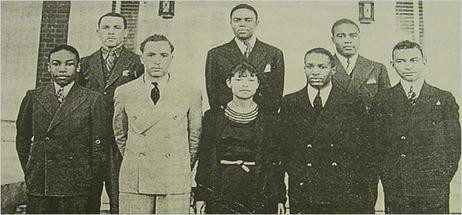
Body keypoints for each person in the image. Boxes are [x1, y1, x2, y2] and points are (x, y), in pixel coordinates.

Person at [113, 34, 202, 214]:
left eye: (163, 55)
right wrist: (135, 157)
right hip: (135, 175)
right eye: (151, 55)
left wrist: (181, 163)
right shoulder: (125, 92)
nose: (157, 61)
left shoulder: (189, 92)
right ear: (142, 58)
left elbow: (195, 136)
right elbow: (120, 133)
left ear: (171, 58)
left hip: (174, 175)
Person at [16, 45, 110, 214]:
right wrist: (33, 167)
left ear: (78, 67)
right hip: (41, 182)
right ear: (49, 67)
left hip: (77, 184)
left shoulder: (91, 99)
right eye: (56, 64)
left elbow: (99, 145)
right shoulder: (34, 96)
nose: (62, 69)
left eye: (69, 64)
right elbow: (22, 140)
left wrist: (89, 177)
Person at [370, 40, 461, 214]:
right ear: (392, 64)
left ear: (424, 61)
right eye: (401, 61)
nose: (408, 66)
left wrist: (440, 177)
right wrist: (389, 176)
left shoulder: (443, 98)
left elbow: (453, 145)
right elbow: (376, 143)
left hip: (432, 186)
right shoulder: (383, 100)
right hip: (398, 187)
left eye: (413, 60)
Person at [278, 48, 370, 213]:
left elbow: (362, 154)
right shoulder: (290, 103)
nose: (315, 72)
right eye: (310, 66)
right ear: (304, 68)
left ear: (333, 70)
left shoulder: (352, 103)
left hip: (342, 192)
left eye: (322, 67)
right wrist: (280, 195)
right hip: (304, 191)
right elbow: (282, 152)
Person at [195, 62, 285, 214]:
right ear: (229, 82)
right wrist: (201, 195)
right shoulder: (213, 117)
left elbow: (275, 162)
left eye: (251, 80)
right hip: (220, 189)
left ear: (258, 84)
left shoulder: (269, 119)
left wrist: (279, 198)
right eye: (239, 79)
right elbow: (205, 158)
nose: (245, 85)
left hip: (259, 190)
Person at [77, 12, 144, 214]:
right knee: (88, 197)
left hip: (120, 141)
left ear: (125, 33)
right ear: (98, 32)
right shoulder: (85, 63)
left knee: (120, 197)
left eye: (116, 28)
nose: (111, 32)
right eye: (106, 27)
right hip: (90, 142)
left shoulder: (136, 63)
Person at [330, 18, 391, 212]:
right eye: (341, 36)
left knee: (364, 204)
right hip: (332, 150)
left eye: (352, 35)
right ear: (332, 39)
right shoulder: (322, 67)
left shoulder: (377, 68)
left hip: (366, 150)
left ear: (359, 38)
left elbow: (386, 113)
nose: (348, 40)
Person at [205, 3, 284, 113]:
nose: (242, 24)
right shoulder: (216, 54)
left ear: (257, 23)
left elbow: (276, 95)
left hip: (262, 122)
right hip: (229, 121)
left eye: (248, 20)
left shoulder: (274, 53)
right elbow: (214, 96)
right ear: (231, 23)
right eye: (237, 20)